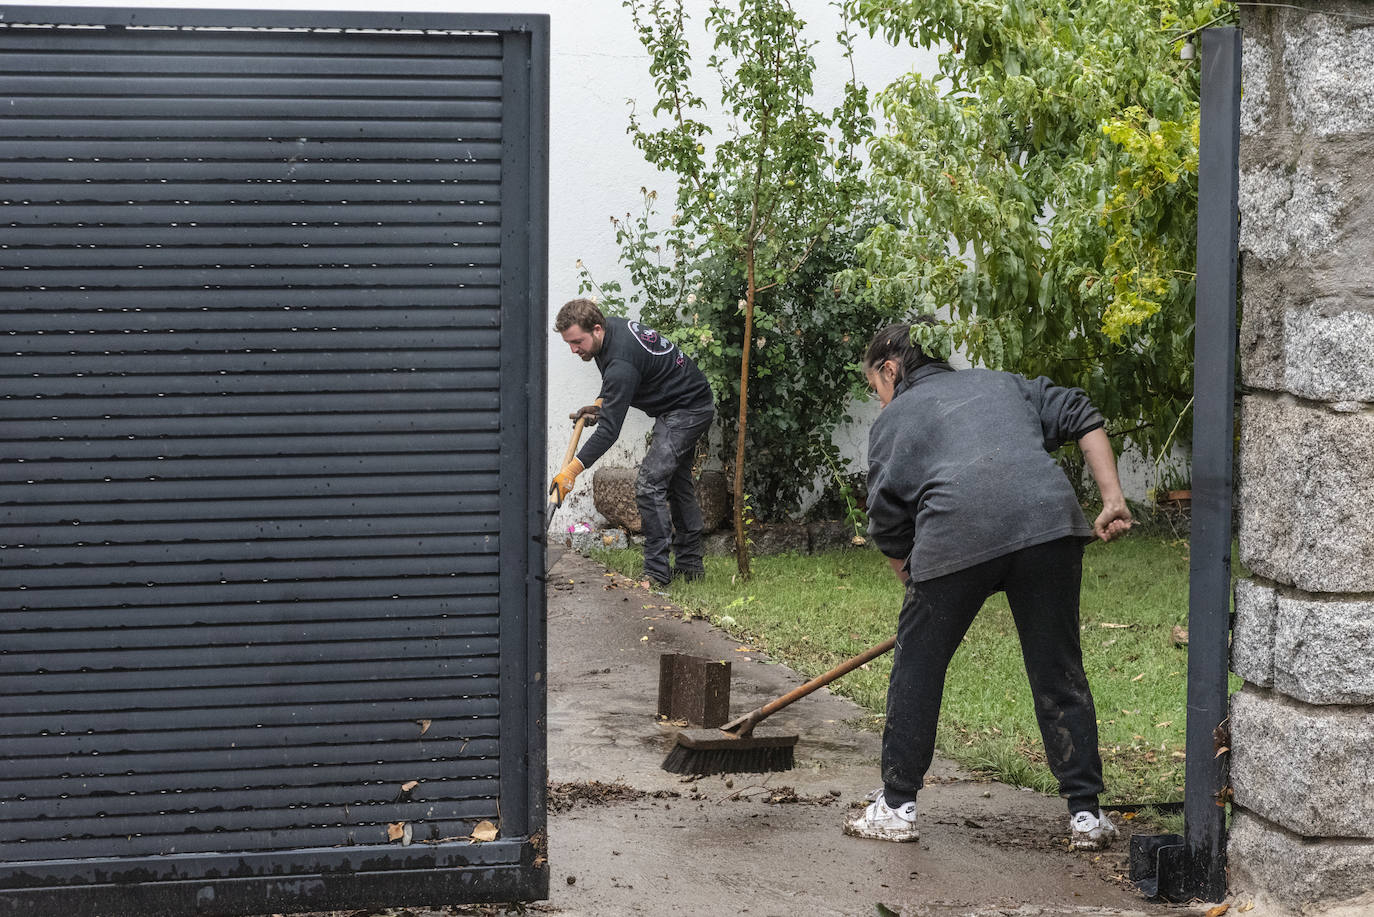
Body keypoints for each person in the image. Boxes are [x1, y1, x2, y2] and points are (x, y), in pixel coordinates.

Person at [845, 319, 1133, 851]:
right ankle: (1087, 816)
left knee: (919, 668)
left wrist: (918, 591)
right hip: (1050, 530)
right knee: (1058, 669)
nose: (880, 402)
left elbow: (887, 526)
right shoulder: (1003, 383)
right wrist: (1111, 498)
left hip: (956, 536)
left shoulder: (893, 422)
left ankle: (896, 806)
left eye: (876, 389)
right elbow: (1081, 413)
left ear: (891, 370)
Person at [551, 299, 715, 587]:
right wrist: (601, 405)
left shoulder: (620, 362)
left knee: (649, 484)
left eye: (577, 342)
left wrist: (572, 472)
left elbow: (609, 432)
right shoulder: (610, 333)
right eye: (569, 343)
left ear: (597, 329)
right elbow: (619, 383)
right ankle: (690, 569)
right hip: (681, 404)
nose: (573, 349)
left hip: (687, 410)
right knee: (678, 484)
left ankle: (656, 573)